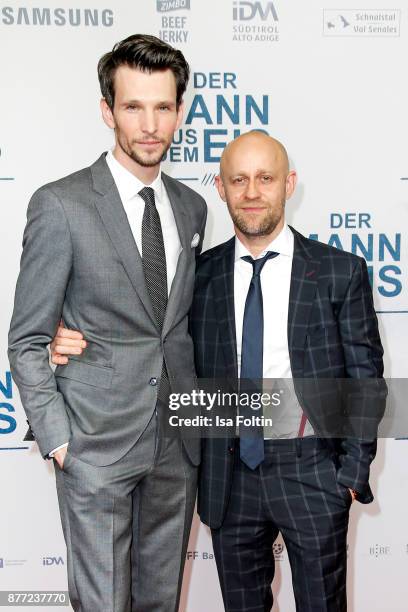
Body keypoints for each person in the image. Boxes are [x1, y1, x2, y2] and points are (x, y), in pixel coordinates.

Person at [50, 132, 385, 611]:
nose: (252, 192)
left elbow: (365, 381)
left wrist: (350, 473)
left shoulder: (339, 271)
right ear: (220, 188)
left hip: (313, 471)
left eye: (265, 178)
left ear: (288, 184)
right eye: (238, 180)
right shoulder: (196, 275)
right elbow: (148, 341)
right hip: (229, 477)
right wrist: (64, 341)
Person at [8, 34, 206, 612]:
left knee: (160, 601)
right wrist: (60, 441)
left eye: (163, 107)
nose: (150, 124)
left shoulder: (193, 208)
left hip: (176, 443)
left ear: (179, 111)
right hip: (93, 446)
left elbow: (173, 326)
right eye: (133, 106)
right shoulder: (61, 204)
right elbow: (27, 339)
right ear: (106, 111)